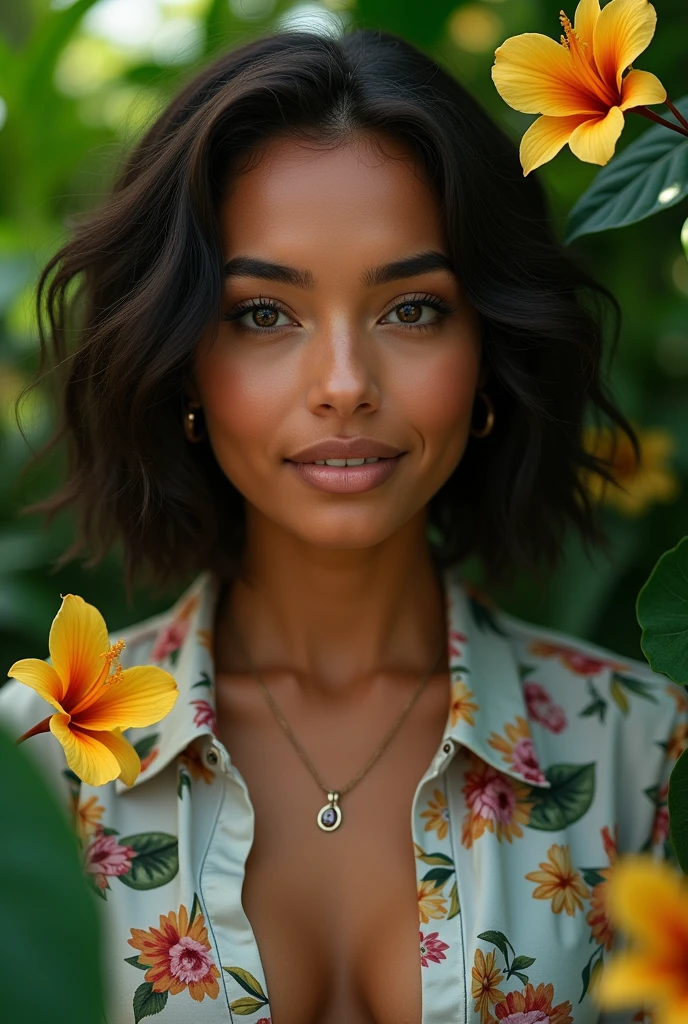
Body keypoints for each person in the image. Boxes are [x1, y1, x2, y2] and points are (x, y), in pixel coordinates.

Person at [1, 26, 684, 1024]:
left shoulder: (640, 753)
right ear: (182, 361)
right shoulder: (28, 769)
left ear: (490, 349)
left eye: (411, 309)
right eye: (263, 315)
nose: (343, 386)